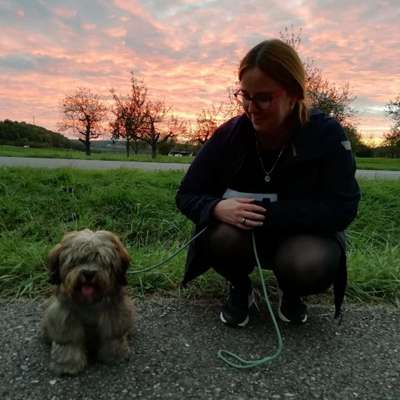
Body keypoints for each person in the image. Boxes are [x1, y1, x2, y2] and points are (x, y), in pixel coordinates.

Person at [175, 39, 360, 327]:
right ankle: (240, 286)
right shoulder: (229, 135)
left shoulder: (327, 135)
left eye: (263, 98)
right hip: (241, 237)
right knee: (219, 237)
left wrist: (269, 214)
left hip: (304, 237)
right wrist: (215, 208)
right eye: (244, 95)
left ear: (294, 94)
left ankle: (292, 292)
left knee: (308, 263)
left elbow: (344, 208)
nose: (251, 108)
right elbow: (187, 194)